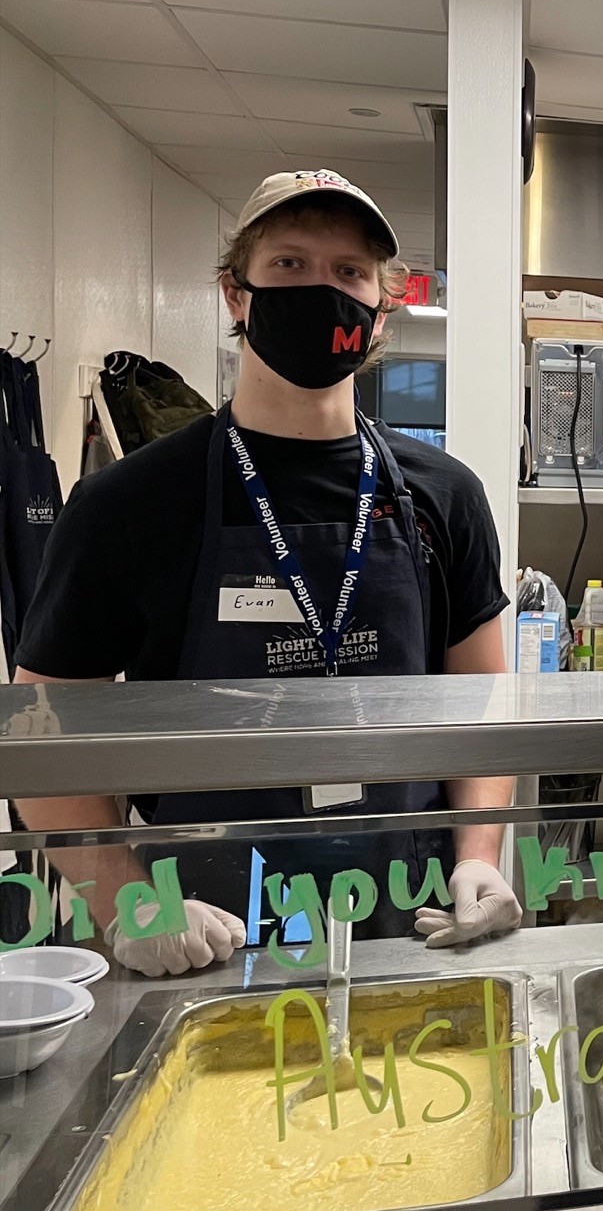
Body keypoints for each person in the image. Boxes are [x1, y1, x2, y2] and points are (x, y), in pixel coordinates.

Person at [13, 170, 521, 975]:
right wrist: (125, 898)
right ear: (235, 292)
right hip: (203, 931)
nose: (324, 291)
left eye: (350, 272)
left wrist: (482, 853)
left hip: (412, 918)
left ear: (380, 303)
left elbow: (484, 709)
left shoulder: (444, 495)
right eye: (289, 265)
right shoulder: (130, 502)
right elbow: (40, 732)